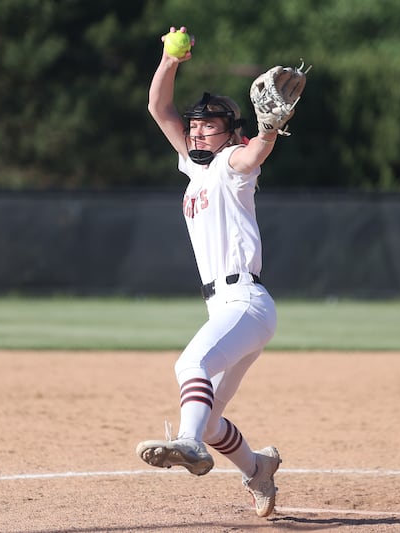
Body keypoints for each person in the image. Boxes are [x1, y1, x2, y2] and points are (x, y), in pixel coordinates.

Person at [135, 26, 295, 519]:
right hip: (224, 307)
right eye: (196, 124)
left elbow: (255, 154)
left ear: (230, 132)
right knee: (209, 418)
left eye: (211, 125)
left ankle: (186, 444)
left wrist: (268, 129)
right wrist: (169, 59)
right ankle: (257, 469)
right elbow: (158, 107)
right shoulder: (192, 165)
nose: (200, 130)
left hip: (245, 300)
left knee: (189, 367)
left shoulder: (230, 162)